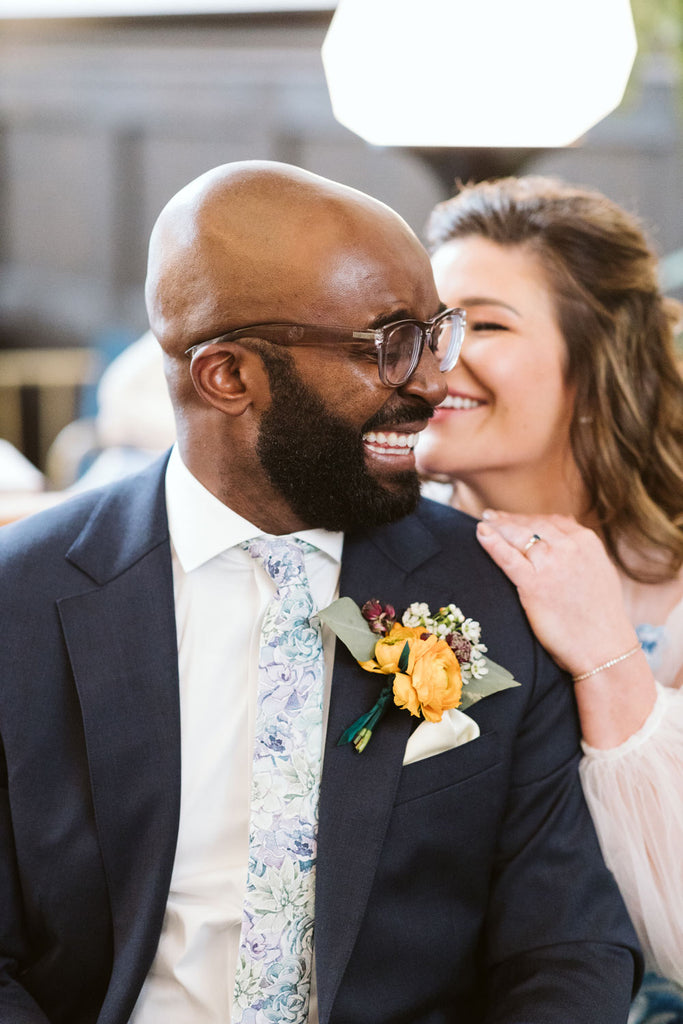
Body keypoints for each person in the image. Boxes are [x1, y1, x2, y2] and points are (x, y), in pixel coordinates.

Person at [0, 161, 640, 1024]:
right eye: (389, 346)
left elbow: (565, 944)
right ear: (228, 376)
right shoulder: (23, 601)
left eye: (436, 333)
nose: (435, 383)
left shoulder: (491, 593)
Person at [416, 174, 683, 1022]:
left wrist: (603, 650)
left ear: (597, 355)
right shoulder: (378, 572)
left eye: (484, 324)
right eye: (426, 326)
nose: (436, 357)